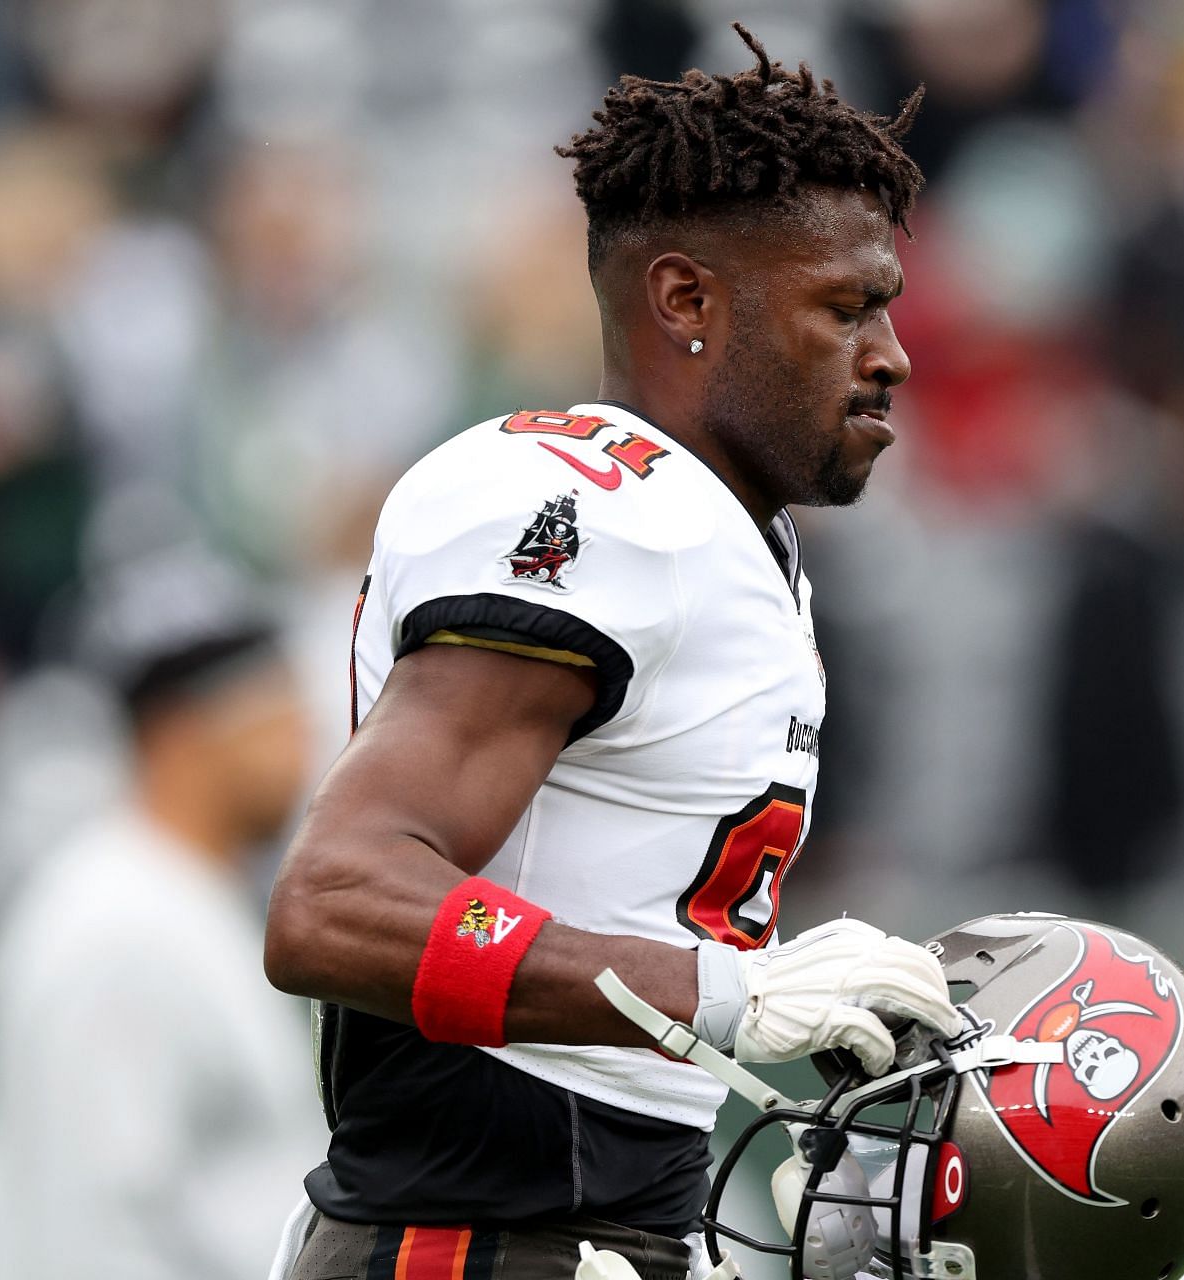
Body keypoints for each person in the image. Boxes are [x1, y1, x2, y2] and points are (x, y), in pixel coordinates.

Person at [262, 25, 956, 1280]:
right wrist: (725, 995)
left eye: (887, 308)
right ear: (687, 300)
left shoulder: (724, 531)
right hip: (473, 1237)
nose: (890, 355)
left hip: (587, 1228)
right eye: (844, 308)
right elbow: (335, 900)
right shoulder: (605, 515)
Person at [0, 551, 323, 1280]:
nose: (303, 739)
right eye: (275, 704)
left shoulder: (179, 898)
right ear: (183, 731)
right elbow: (90, 1240)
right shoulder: (117, 927)